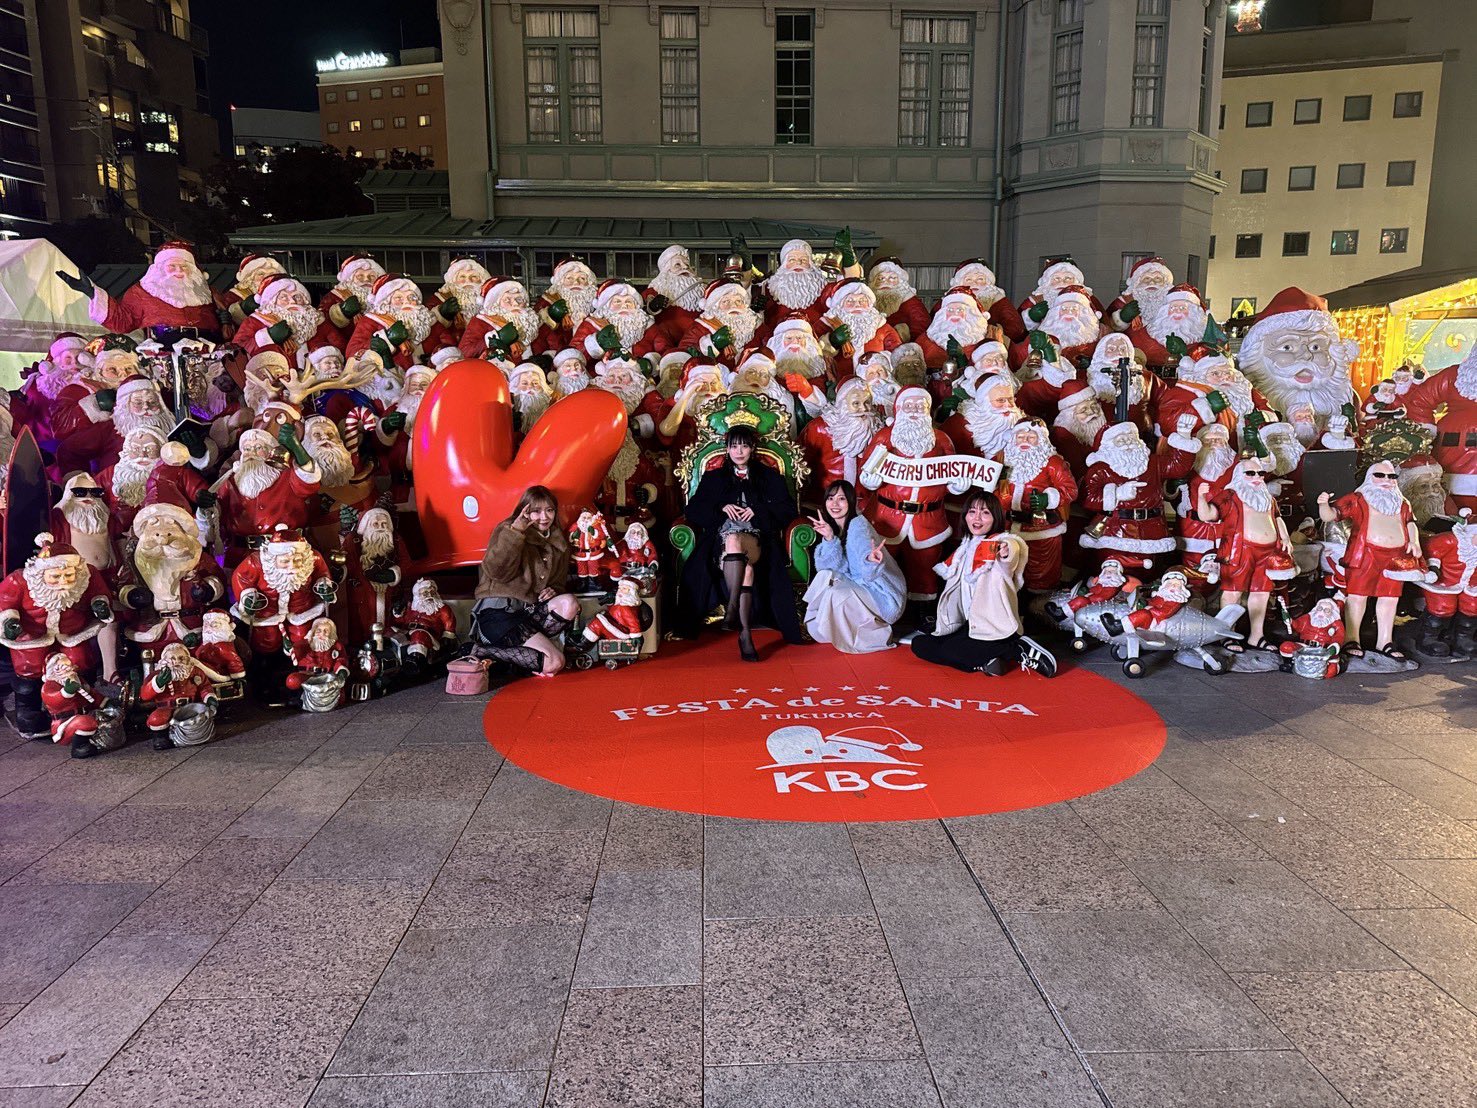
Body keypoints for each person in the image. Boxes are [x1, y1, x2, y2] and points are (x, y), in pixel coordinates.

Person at [677, 425, 803, 660]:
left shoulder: (769, 477)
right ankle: (745, 634)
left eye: (744, 446)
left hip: (756, 537)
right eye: (734, 446)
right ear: (727, 449)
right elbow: (693, 510)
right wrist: (721, 507)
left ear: (752, 448)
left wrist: (758, 511)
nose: (739, 451)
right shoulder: (713, 478)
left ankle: (732, 608)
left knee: (736, 540)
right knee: (746, 570)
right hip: (721, 539)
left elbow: (788, 511)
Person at [909, 491, 1058, 677]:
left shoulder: (1001, 541)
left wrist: (1005, 552)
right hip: (972, 625)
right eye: (972, 511)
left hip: (995, 627)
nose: (977, 518)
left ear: (996, 518)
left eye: (985, 513)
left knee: (951, 650)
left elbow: (1011, 552)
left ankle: (1017, 648)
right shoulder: (964, 548)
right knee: (921, 645)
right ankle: (988, 662)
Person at [471, 486, 579, 677]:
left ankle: (519, 658)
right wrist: (516, 532)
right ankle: (481, 650)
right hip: (500, 614)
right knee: (555, 663)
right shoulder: (509, 529)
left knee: (569, 603)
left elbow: (559, 582)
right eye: (536, 511)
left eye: (549, 510)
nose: (544, 517)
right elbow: (497, 572)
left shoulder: (557, 541)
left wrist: (554, 589)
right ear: (525, 511)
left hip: (528, 613)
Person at [803, 480, 906, 653]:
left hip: (882, 594)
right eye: (830, 498)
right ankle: (819, 626)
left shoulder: (858, 525)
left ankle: (873, 635)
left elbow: (864, 549)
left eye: (841, 499)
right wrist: (829, 538)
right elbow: (832, 569)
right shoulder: (833, 528)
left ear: (851, 502)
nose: (835, 504)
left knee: (836, 592)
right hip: (859, 586)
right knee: (824, 576)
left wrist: (870, 560)